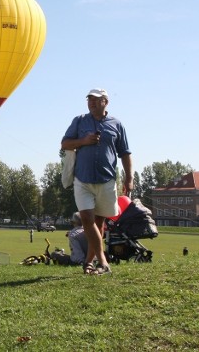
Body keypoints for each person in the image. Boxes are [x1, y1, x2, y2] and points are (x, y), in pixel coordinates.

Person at [61, 88, 132, 275]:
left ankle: (89, 263)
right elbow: (65, 143)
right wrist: (83, 141)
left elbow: (125, 153)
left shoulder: (117, 124)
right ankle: (103, 261)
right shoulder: (79, 121)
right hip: (82, 179)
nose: (91, 102)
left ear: (105, 102)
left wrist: (129, 178)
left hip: (106, 180)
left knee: (99, 223)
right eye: (89, 99)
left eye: (96, 99)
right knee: (86, 219)